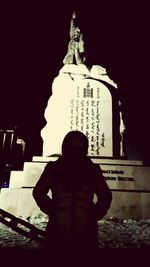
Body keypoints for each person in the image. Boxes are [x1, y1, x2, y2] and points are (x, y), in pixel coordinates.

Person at [33, 131, 112, 262]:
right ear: (65, 148)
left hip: (85, 235)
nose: (75, 151)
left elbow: (105, 197)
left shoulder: (92, 170)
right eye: (72, 147)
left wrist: (92, 215)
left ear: (84, 149)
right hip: (58, 233)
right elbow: (38, 193)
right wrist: (53, 209)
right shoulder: (54, 168)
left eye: (78, 148)